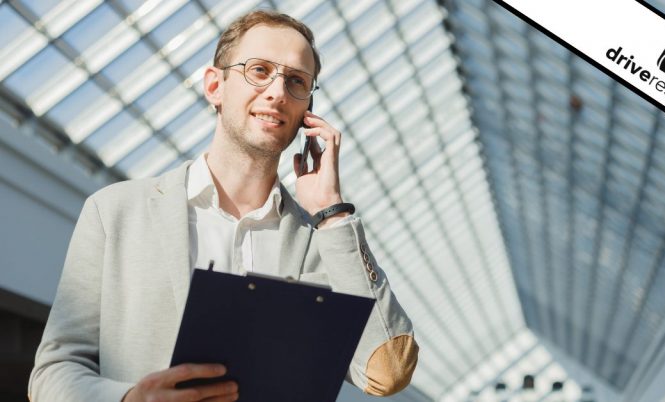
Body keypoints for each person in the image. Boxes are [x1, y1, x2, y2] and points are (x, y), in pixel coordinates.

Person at [28, 10, 418, 402]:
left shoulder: (326, 245)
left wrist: (333, 213)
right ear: (215, 86)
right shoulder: (115, 212)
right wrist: (132, 399)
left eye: (296, 81)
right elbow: (52, 373)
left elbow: (388, 372)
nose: (277, 91)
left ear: (307, 112)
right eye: (260, 70)